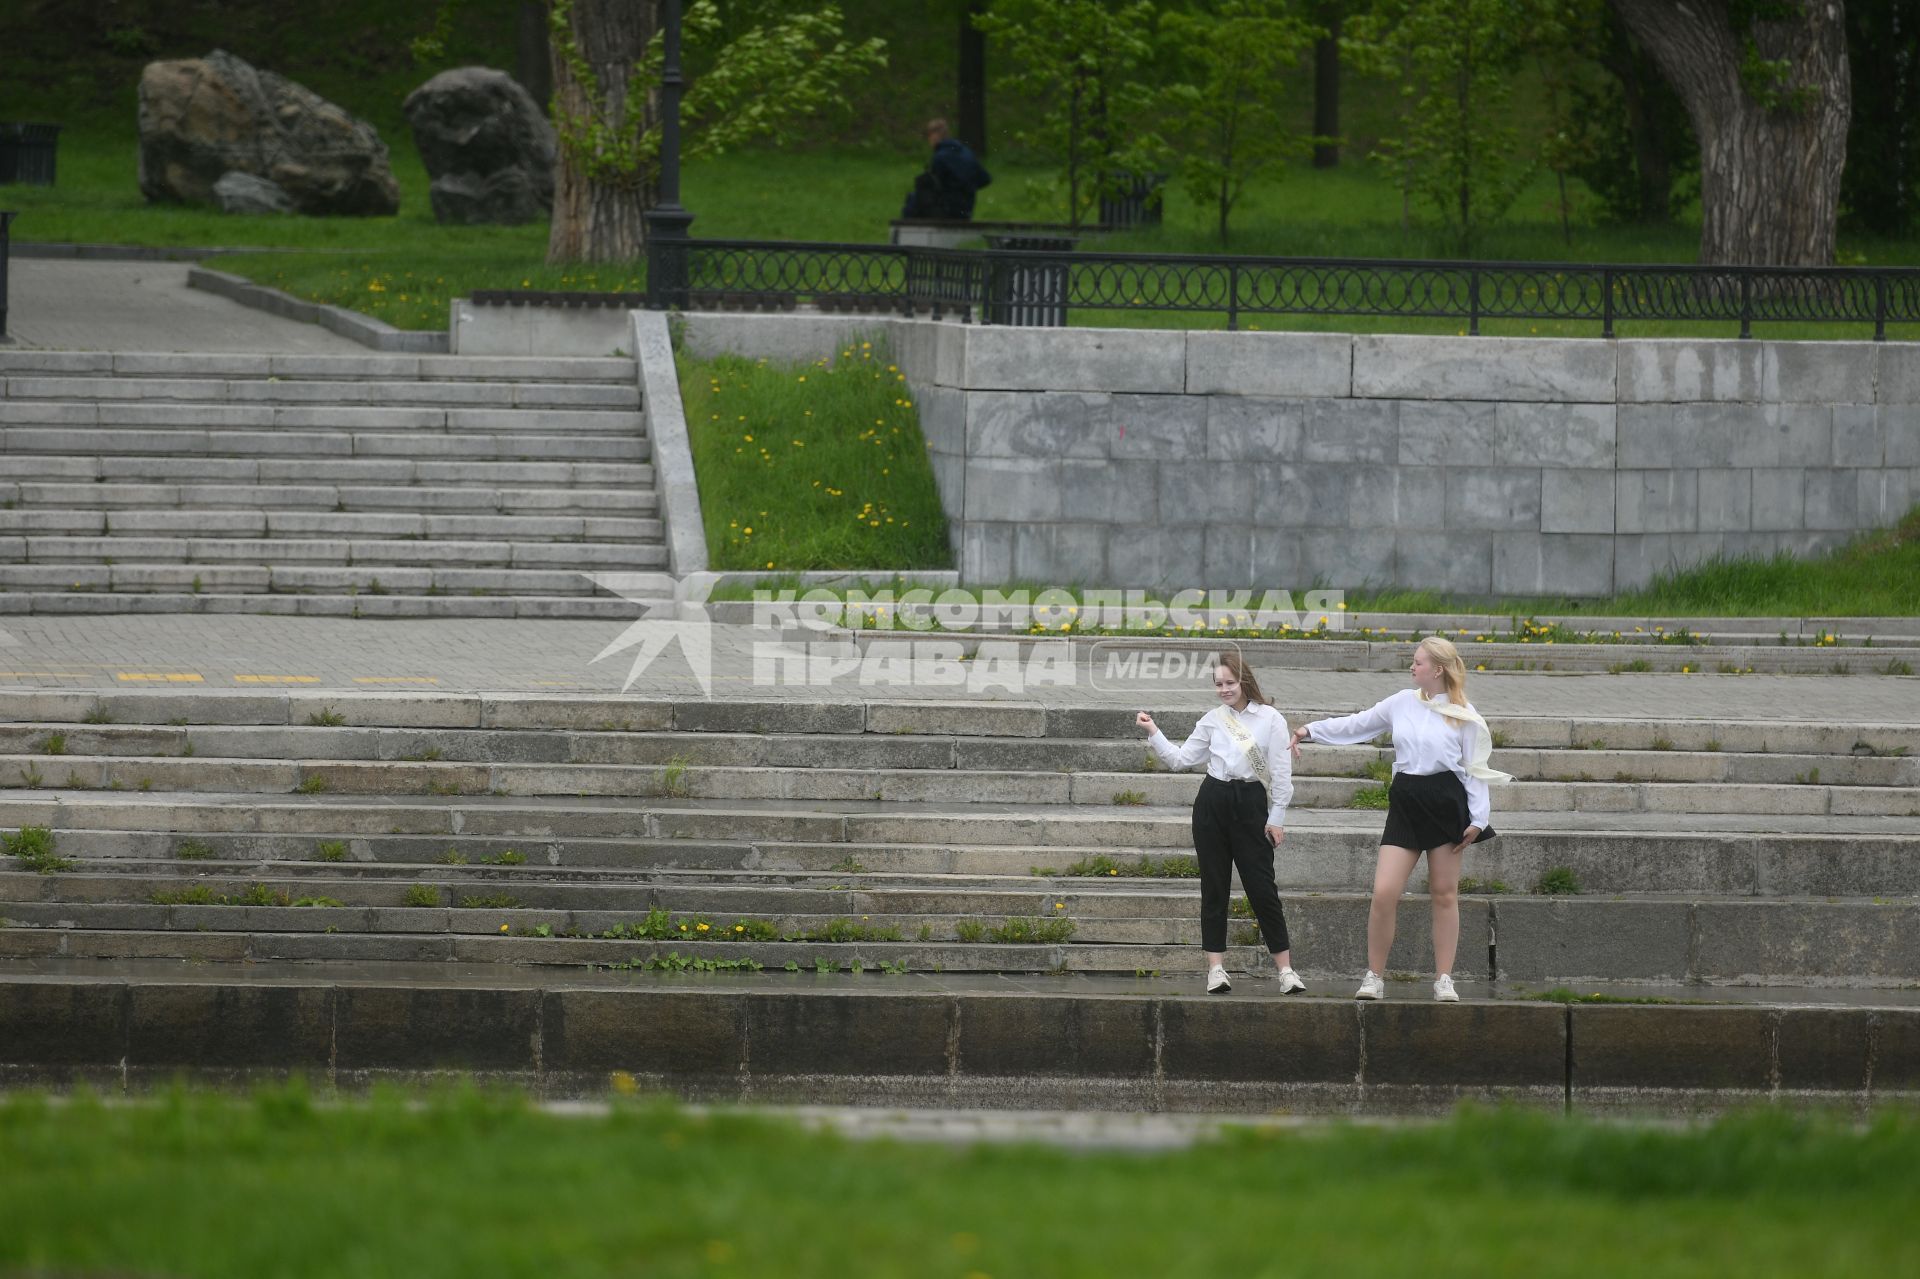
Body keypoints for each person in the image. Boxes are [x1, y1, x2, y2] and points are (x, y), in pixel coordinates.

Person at [1289, 636, 1510, 1003]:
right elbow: (1358, 724)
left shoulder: (1465, 714)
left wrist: (1479, 818)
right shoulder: (1401, 703)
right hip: (1406, 801)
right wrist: (1310, 730)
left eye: (1418, 662)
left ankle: (1443, 979)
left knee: (1443, 893)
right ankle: (1374, 976)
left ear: (1437, 669)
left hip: (1446, 803)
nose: (1412, 667)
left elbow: (1475, 770)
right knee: (1384, 891)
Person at [1138, 653, 1305, 995]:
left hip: (1251, 804)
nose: (1224, 690)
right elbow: (1181, 760)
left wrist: (1278, 817)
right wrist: (1153, 730)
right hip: (1212, 803)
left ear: (1244, 681)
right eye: (1218, 684)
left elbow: (1281, 772)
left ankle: (1286, 970)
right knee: (1214, 887)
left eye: (1230, 683)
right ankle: (1216, 969)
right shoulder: (1213, 720)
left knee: (1262, 889)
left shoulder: (1271, 719)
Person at [900, 117, 991, 220]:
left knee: (913, 200)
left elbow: (935, 187)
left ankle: (907, 231)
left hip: (949, 210)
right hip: (966, 210)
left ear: (935, 135)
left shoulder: (940, 157)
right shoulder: (966, 152)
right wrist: (967, 188)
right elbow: (985, 179)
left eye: (929, 136)